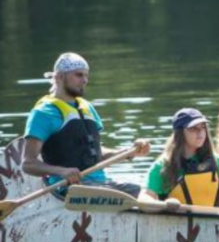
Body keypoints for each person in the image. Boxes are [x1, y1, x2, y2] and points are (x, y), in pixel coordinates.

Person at [22, 53, 150, 195]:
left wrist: (127, 152)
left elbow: (94, 152)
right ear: (59, 77)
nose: (85, 80)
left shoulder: (88, 108)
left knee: (146, 193)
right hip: (68, 188)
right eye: (79, 75)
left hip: (101, 184)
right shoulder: (43, 113)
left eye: (86, 75)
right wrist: (62, 171)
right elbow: (28, 163)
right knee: (115, 194)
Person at [141, 108, 219, 208]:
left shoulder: (217, 161)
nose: (200, 132)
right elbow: (144, 198)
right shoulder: (162, 166)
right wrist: (164, 206)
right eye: (193, 128)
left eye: (203, 127)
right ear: (180, 133)